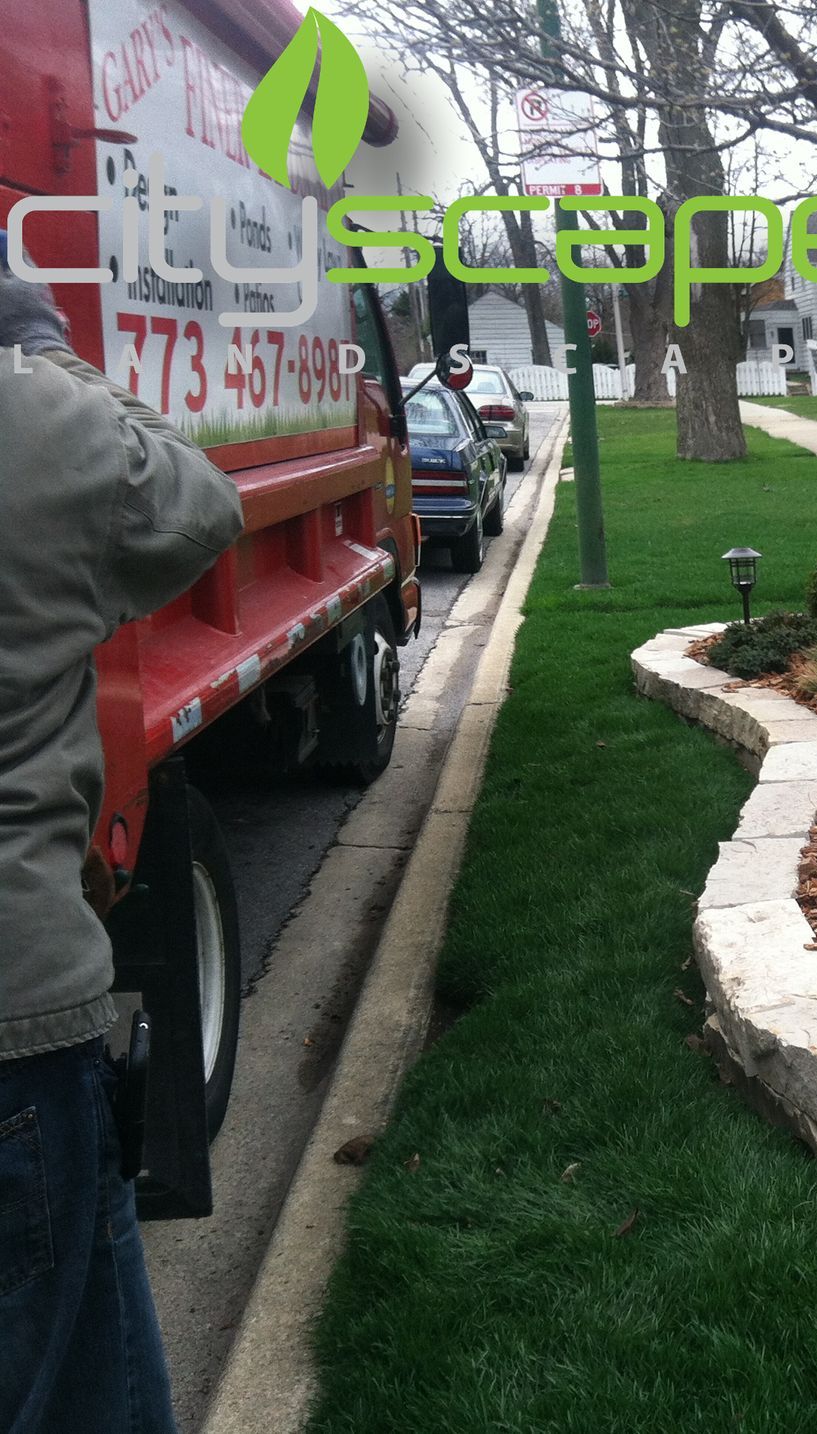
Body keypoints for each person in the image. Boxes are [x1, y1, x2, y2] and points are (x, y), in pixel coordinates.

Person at [0, 238, 243, 1433]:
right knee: (74, 1385)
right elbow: (200, 509)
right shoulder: (40, 426)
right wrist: (48, 354)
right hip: (16, 1011)